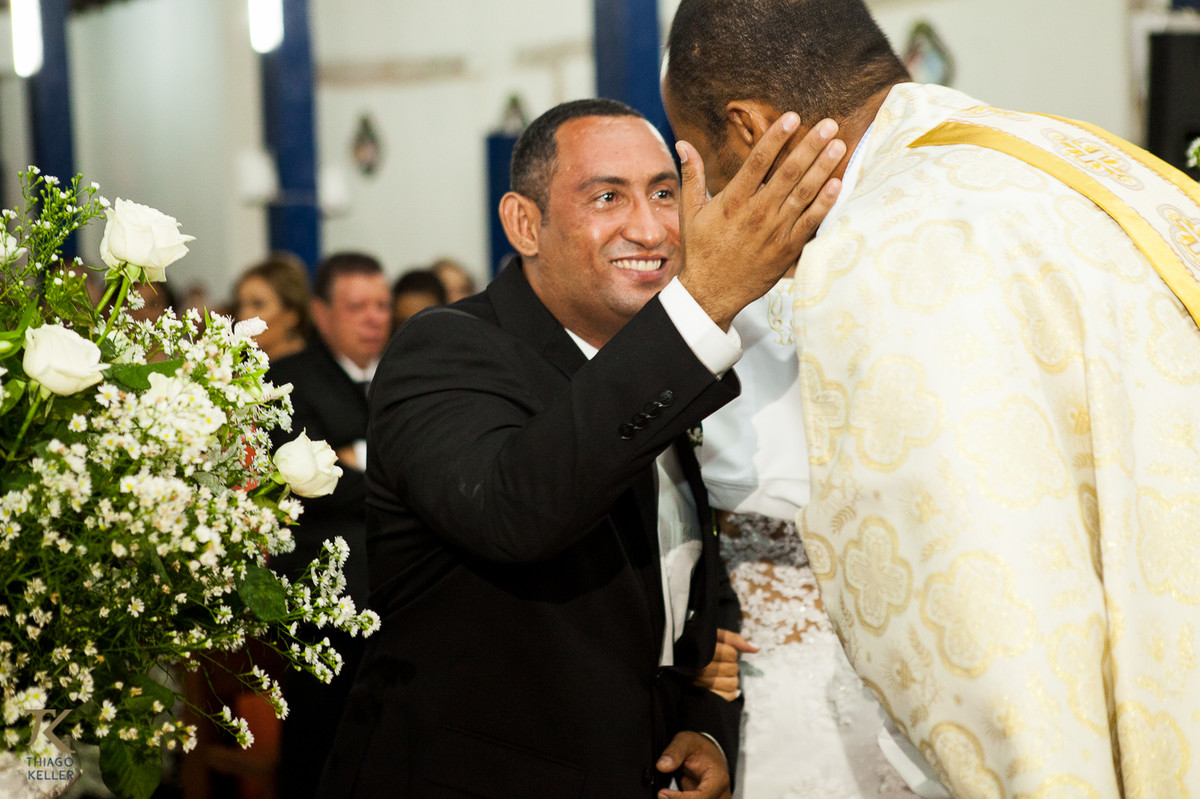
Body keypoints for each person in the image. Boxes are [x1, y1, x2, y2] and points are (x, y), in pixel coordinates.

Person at [664, 0, 1200, 796]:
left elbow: (986, 626)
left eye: (707, 158)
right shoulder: (1073, 160)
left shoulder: (886, 250)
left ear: (747, 130)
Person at [316, 98, 844, 798]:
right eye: (607, 197)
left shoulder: (658, 365)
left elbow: (685, 568)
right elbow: (517, 509)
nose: (650, 227)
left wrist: (706, 720)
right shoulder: (447, 348)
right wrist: (699, 303)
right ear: (524, 223)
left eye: (664, 192)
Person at [267, 252, 392, 799]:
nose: (374, 318)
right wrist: (388, 475)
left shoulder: (403, 374)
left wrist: (357, 459)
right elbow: (308, 485)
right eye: (357, 306)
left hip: (402, 593)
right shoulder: (291, 381)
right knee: (322, 755)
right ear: (321, 313)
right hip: (329, 600)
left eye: (382, 305)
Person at [234, 252, 312, 361]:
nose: (244, 315)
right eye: (240, 305)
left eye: (258, 305)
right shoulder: (241, 366)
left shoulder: (311, 372)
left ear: (291, 314)